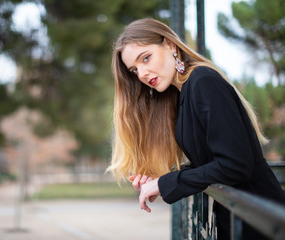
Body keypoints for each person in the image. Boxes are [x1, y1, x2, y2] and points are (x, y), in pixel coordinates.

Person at [107, 18, 285, 240]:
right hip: (240, 220)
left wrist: (167, 183)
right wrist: (161, 179)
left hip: (262, 222)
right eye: (134, 70)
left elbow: (236, 164)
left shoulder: (202, 81)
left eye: (146, 58)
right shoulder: (185, 93)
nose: (142, 73)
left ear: (170, 45)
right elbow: (213, 162)